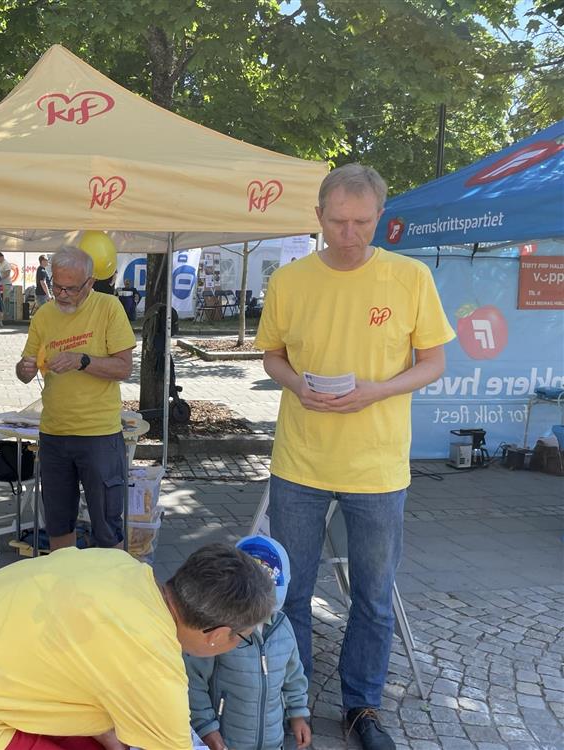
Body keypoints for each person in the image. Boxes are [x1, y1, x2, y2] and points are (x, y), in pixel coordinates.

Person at [255, 163, 454, 750]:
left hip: (377, 466)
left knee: (371, 594)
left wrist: (376, 390)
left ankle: (362, 707)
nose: (349, 234)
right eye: (337, 221)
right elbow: (272, 356)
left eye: (362, 222)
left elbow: (434, 361)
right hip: (300, 461)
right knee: (289, 591)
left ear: (380, 218)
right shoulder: (290, 281)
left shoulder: (410, 277)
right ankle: (292, 703)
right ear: (317, 216)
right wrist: (296, 385)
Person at [0, 543, 277, 750]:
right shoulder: (153, 662)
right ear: (216, 633)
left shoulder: (122, 567)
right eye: (242, 637)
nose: (236, 646)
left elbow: (79, 667)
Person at [15, 246, 135, 551]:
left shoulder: (108, 308)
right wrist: (24, 368)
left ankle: (111, 591)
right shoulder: (44, 314)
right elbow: (24, 371)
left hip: (99, 434)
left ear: (90, 283)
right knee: (57, 524)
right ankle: (64, 590)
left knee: (107, 528)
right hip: (54, 434)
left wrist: (82, 361)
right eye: (56, 285)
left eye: (70, 288)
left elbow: (124, 368)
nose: (62, 294)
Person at [185, 536, 311, 750]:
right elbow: (194, 682)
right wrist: (206, 728)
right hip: (226, 740)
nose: (257, 618)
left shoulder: (283, 626)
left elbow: (293, 675)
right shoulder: (217, 630)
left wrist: (298, 714)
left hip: (272, 741)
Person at [0, 251, 14, 320]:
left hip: (6, 285)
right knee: (2, 300)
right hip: (0, 284)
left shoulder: (6, 264)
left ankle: (6, 315)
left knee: (6, 300)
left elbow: (7, 274)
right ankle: (2, 315)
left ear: (1, 257)